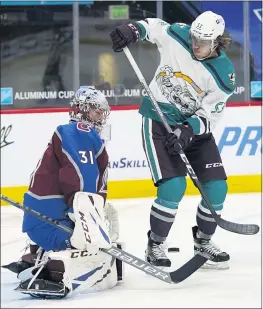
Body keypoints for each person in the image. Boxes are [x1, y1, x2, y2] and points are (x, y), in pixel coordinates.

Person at [110, 11, 236, 269]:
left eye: (203, 42)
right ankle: (155, 244)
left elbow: (211, 115)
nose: (196, 45)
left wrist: (189, 130)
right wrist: (133, 30)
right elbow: (155, 26)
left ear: (217, 42)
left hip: (194, 129)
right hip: (158, 119)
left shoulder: (224, 74)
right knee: (173, 187)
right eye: (194, 38)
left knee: (217, 188)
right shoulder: (179, 34)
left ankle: (203, 241)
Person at [2, 86, 122, 298]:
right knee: (89, 247)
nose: (101, 116)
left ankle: (37, 254)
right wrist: (85, 215)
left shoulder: (79, 133)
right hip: (50, 222)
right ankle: (51, 267)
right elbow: (79, 175)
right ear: (82, 110)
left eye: (102, 111)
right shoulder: (79, 131)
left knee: (95, 238)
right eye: (96, 110)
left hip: (49, 220)